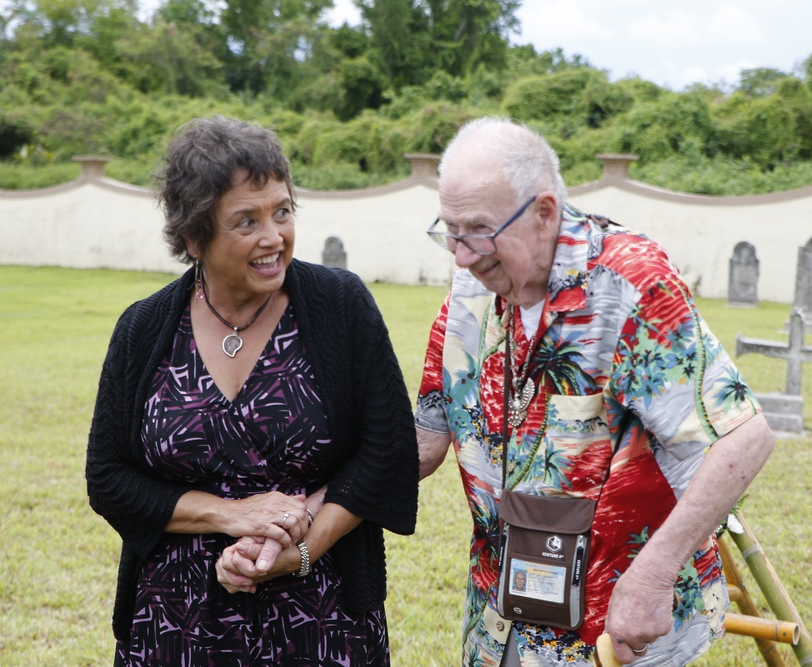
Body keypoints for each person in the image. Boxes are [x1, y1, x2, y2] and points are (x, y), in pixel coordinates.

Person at [414, 117, 775, 667]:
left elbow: (744, 438)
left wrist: (653, 577)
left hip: (616, 626)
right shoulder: (471, 288)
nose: (461, 255)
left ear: (544, 213)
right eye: (451, 231)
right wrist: (297, 501)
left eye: (478, 231)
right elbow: (424, 439)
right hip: (499, 614)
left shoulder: (629, 284)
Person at [85, 115, 419, 666]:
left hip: (322, 617)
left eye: (282, 211)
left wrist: (302, 550)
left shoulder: (340, 305)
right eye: (246, 221)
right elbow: (109, 478)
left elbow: (386, 452)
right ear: (195, 237)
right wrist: (231, 514)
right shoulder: (143, 329)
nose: (273, 237)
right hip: (174, 623)